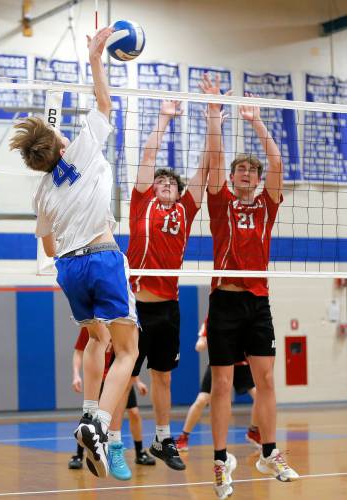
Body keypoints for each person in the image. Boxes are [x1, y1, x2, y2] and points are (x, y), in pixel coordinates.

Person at [9, 27, 138, 480]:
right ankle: (101, 425)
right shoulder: (81, 150)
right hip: (102, 259)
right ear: (61, 145)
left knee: (96, 339)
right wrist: (95, 57)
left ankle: (87, 414)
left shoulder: (42, 193)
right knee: (127, 352)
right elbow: (104, 105)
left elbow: (46, 245)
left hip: (68, 268)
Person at [204, 74, 299, 498]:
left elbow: (277, 164)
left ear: (258, 179)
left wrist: (257, 123)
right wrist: (215, 118)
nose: (244, 174)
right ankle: (222, 461)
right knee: (221, 384)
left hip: (258, 303)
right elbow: (215, 162)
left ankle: (269, 452)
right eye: (239, 169)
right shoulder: (220, 201)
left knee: (267, 382)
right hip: (224, 301)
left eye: (250, 170)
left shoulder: (267, 204)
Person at [126, 87, 211, 471]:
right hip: (133, 306)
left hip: (169, 309)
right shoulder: (142, 202)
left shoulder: (184, 211)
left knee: (163, 378)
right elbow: (147, 156)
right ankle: (110, 439)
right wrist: (164, 119)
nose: (163, 184)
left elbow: (204, 172)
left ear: (178, 194)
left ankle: (163, 438)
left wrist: (212, 119)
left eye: (170, 183)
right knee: (121, 375)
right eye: (159, 181)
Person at [68, 327, 155, 477]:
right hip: (99, 380)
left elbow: (127, 360)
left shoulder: (120, 325)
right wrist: (76, 375)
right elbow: (79, 351)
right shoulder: (91, 327)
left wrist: (138, 382)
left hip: (118, 380)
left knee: (134, 412)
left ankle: (140, 452)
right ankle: (78, 455)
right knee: (91, 416)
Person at [175, 320, 261, 452]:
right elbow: (201, 341)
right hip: (219, 363)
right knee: (202, 400)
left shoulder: (245, 312)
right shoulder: (214, 315)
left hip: (241, 364)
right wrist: (201, 342)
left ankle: (253, 431)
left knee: (259, 396)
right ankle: (184, 437)